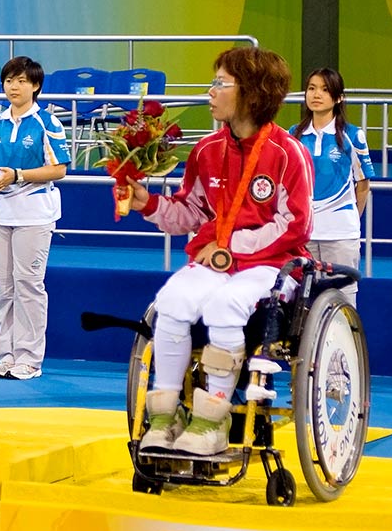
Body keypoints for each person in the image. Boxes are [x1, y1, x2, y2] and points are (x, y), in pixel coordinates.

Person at [124, 46, 312, 456]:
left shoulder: (287, 154)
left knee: (225, 306)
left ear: (252, 92)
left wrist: (230, 247)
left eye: (220, 84)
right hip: (216, 259)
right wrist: (147, 203)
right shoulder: (207, 150)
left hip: (271, 266)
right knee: (170, 301)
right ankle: (164, 414)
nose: (210, 92)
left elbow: (295, 224)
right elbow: (191, 211)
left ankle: (213, 418)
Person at [0, 56, 70, 381]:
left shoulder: (47, 122)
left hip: (34, 213)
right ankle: (8, 355)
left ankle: (29, 358)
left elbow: (59, 169)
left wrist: (17, 175)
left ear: (36, 86)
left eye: (21, 81)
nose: (14, 87)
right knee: (3, 286)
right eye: (9, 81)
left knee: (28, 284)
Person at [290, 68, 374, 305]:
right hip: (302, 235)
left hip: (340, 236)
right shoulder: (293, 136)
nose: (316, 94)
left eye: (325, 90)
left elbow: (363, 185)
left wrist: (349, 222)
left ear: (338, 98)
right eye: (312, 88)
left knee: (342, 301)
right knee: (301, 302)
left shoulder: (353, 135)